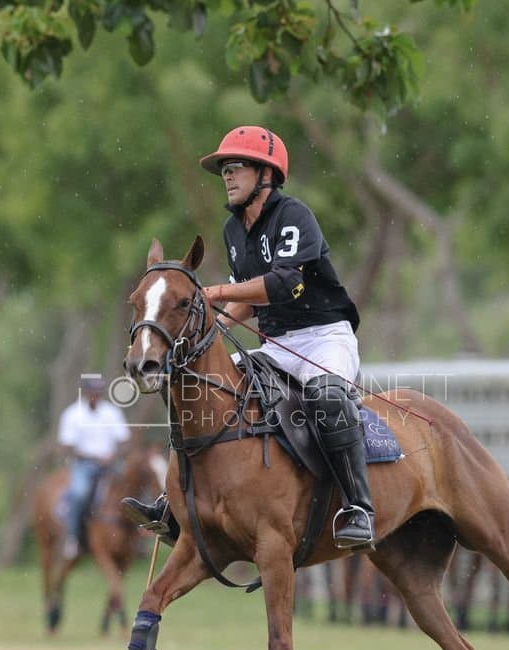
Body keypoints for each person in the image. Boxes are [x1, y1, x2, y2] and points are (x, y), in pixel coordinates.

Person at [122, 125, 375, 550]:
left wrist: (215, 293)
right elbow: (251, 301)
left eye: (236, 167)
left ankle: (359, 508)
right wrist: (211, 332)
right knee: (202, 388)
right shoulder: (233, 232)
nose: (227, 175)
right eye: (225, 169)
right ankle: (174, 501)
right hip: (276, 345)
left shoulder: (293, 216)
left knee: (328, 398)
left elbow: (281, 284)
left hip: (324, 337)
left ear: (266, 174)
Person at [58, 375, 130, 557]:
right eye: (92, 392)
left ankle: (138, 537)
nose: (95, 395)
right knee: (79, 494)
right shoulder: (73, 414)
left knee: (133, 489)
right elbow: (67, 446)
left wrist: (113, 455)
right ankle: (73, 538)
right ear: (85, 392)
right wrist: (94, 457)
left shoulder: (112, 413)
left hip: (110, 465)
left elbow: (123, 440)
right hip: (84, 465)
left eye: (98, 392)